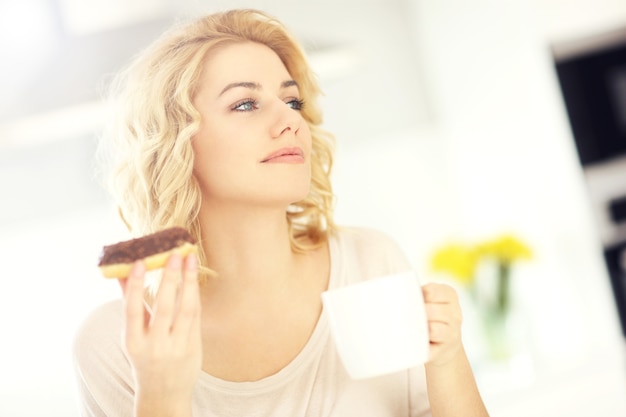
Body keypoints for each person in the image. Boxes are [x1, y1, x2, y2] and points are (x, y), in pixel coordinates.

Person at [73, 8, 490, 417]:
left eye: (292, 101)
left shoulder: (370, 264)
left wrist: (447, 357)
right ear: (176, 143)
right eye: (245, 104)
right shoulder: (117, 343)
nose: (290, 121)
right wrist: (161, 396)